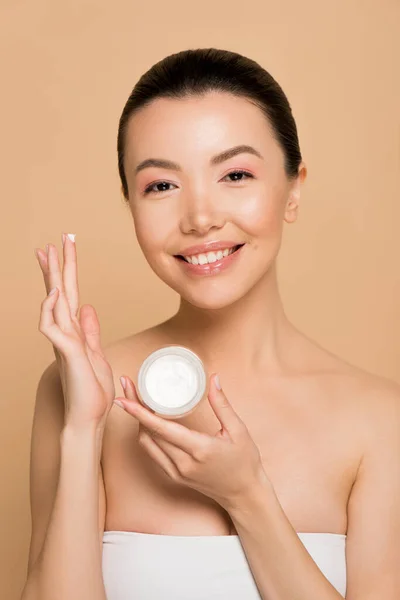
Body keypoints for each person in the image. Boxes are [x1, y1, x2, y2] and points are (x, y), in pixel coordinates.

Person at [22, 48, 399, 600]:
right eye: (161, 185)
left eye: (235, 174)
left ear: (294, 187)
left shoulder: (381, 421)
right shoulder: (77, 390)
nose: (200, 217)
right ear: (130, 203)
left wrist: (247, 496)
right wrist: (84, 432)